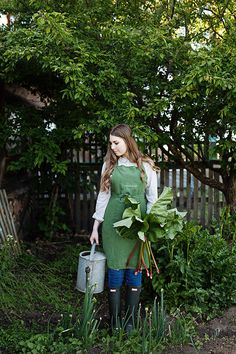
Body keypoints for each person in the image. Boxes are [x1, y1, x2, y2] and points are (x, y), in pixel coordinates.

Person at [90, 124, 158, 332]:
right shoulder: (109, 166)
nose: (113, 147)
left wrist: (147, 227)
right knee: (115, 269)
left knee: (135, 270)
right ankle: (115, 322)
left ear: (128, 141)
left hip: (137, 227)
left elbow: (152, 200)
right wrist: (95, 227)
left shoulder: (145, 166)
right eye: (110, 143)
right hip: (113, 225)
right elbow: (103, 196)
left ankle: (130, 322)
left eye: (116, 143)